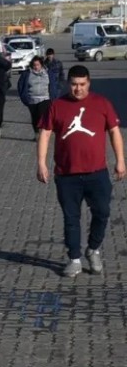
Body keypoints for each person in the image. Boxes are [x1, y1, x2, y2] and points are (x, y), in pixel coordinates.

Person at [37, 65, 125, 277]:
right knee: (71, 218)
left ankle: (93, 249)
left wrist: (120, 160)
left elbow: (114, 131)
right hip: (67, 175)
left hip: (97, 173)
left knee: (103, 212)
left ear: (89, 83)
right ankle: (74, 259)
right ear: (68, 84)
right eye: (74, 85)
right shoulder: (57, 106)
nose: (78, 89)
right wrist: (41, 163)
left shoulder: (102, 103)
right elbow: (45, 134)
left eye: (82, 85)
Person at [17, 56, 55, 141]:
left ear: (41, 65)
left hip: (45, 98)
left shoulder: (48, 73)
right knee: (35, 117)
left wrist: (53, 96)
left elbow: (53, 85)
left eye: (38, 65)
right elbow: (20, 86)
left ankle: (43, 134)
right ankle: (36, 133)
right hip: (31, 99)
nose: (36, 67)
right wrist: (24, 97)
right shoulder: (27, 74)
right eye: (34, 65)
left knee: (42, 115)